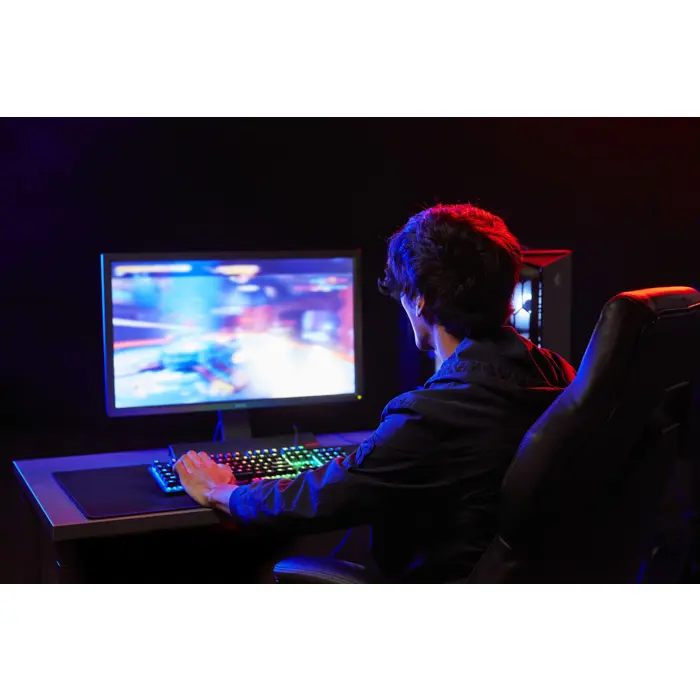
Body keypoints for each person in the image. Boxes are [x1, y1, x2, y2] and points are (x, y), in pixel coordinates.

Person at [174, 204, 576, 582]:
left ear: (419, 301)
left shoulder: (436, 414)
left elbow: (319, 497)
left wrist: (219, 491)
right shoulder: (556, 373)